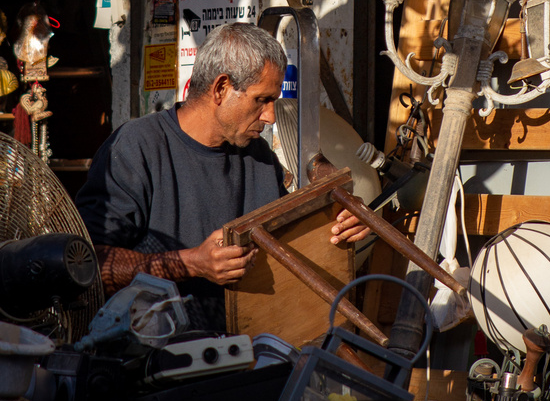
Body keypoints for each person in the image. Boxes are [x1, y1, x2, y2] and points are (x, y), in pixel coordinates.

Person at [76, 22, 368, 330]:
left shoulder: (259, 157)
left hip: (248, 354)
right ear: (221, 88)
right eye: (261, 100)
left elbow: (285, 246)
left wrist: (339, 220)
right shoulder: (136, 148)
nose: (270, 116)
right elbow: (88, 263)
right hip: (158, 360)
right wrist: (191, 264)